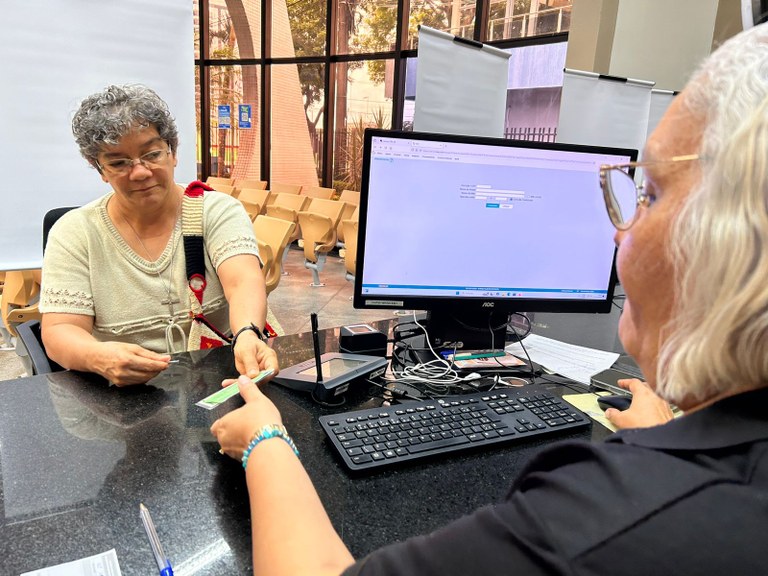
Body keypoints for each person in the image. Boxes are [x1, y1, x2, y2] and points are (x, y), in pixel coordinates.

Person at [211, 24, 768, 575]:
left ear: (738, 239)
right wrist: (665, 443)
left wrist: (266, 440)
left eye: (648, 193)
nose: (619, 233)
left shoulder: (599, 520)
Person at [40, 85, 278, 386]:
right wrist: (98, 357)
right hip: (123, 398)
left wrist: (247, 333)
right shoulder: (75, 232)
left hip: (225, 380)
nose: (139, 172)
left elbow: (242, 280)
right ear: (100, 169)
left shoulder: (216, 211)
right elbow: (60, 330)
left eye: (152, 154)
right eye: (118, 163)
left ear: (173, 152)